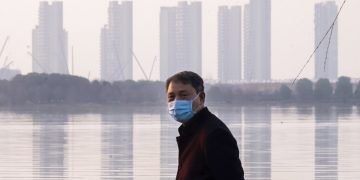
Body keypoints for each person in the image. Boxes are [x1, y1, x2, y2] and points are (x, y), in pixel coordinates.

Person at [166, 71, 245, 180]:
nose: (176, 102)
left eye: (183, 95)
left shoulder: (215, 134)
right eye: (171, 97)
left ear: (201, 97)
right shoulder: (189, 133)